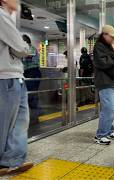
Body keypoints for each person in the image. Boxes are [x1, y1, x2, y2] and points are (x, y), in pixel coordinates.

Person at [0, 0, 34, 175]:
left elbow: (20, 48)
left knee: (20, 122)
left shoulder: (7, 18)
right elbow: (22, 48)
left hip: (15, 77)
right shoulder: (1, 16)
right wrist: (20, 47)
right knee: (5, 122)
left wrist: (19, 48)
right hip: (5, 77)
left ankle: (12, 160)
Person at [93, 25, 114, 145]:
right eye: (112, 37)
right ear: (104, 35)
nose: (113, 40)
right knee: (108, 108)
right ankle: (100, 135)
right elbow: (104, 63)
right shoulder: (99, 47)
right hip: (104, 81)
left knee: (113, 106)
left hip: (112, 81)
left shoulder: (108, 47)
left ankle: (109, 130)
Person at [22, 34, 41, 124]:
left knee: (31, 96)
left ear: (25, 42)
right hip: (29, 73)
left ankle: (35, 116)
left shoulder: (30, 48)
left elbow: (27, 57)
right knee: (30, 95)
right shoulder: (27, 49)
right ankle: (34, 115)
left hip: (33, 72)